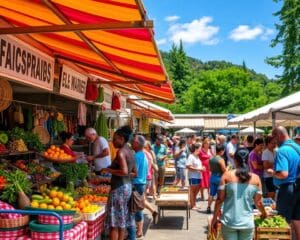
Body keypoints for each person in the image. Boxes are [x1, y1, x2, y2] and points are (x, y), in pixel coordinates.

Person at [211, 148, 266, 240]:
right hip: (247, 223)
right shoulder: (256, 178)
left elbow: (220, 200)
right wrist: (264, 213)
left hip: (229, 222)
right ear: (248, 160)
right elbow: (259, 202)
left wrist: (214, 218)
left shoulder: (226, 176)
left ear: (235, 160)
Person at [100, 126, 136, 240]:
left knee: (114, 223)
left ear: (121, 138)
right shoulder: (130, 151)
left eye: (114, 139)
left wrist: (108, 170)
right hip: (127, 187)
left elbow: (125, 171)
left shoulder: (121, 152)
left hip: (119, 189)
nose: (112, 141)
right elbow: (134, 173)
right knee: (121, 220)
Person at [269, 126, 300, 239]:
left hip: (288, 188)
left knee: (282, 219)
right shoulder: (297, 147)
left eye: (274, 137)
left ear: (279, 135)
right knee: (297, 217)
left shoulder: (282, 151)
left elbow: (283, 174)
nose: (273, 140)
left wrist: (272, 172)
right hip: (299, 187)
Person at [129, 135, 148, 239]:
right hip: (141, 184)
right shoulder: (143, 155)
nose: (131, 143)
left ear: (137, 144)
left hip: (137, 184)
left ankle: (139, 231)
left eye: (133, 141)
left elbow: (134, 173)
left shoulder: (137, 156)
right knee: (138, 207)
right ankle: (139, 230)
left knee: (136, 208)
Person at [207, 144, 227, 214]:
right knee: (220, 194)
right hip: (219, 178)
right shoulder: (221, 160)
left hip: (212, 177)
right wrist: (228, 168)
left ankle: (208, 207)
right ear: (221, 151)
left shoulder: (211, 158)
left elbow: (209, 169)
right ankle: (219, 209)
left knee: (211, 194)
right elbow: (224, 170)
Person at [186, 143, 205, 210]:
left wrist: (202, 168)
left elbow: (197, 165)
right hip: (193, 176)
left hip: (198, 176)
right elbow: (188, 166)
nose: (201, 150)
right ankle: (192, 205)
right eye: (200, 148)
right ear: (196, 149)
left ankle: (194, 204)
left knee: (196, 191)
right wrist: (199, 169)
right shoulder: (191, 156)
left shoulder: (197, 156)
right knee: (192, 191)